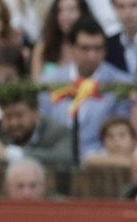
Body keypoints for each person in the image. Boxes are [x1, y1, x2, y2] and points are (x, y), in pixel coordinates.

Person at [39, 17, 131, 159]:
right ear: (71, 48)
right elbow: (43, 128)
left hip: (102, 163)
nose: (92, 55)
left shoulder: (121, 83)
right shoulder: (49, 83)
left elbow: (121, 132)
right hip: (56, 160)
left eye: (97, 48)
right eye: (85, 48)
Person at [0, 90, 73, 166]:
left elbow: (66, 157)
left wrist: (9, 154)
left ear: (36, 113)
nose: (14, 123)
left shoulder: (58, 131)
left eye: (19, 115)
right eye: (8, 116)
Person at [30, 0, 90, 79]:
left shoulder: (91, 47)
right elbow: (36, 85)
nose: (65, 16)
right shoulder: (42, 48)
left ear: (82, 13)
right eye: (60, 11)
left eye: (71, 10)